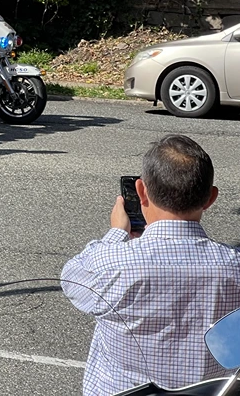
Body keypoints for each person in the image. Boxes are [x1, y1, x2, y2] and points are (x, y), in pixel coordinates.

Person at [61, 135, 240, 396]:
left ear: (141, 192)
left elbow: (70, 280)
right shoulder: (234, 266)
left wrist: (116, 234)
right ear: (210, 198)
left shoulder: (110, 263)